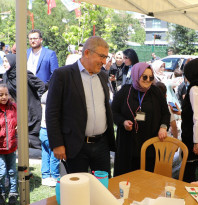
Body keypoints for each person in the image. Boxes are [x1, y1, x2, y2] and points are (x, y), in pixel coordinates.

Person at [46, 36, 116, 176]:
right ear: (87, 53)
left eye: (106, 57)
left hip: (101, 144)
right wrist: (57, 144)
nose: (104, 62)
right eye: (102, 56)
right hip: (75, 146)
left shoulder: (102, 76)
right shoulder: (63, 75)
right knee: (77, 190)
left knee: (102, 188)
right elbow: (52, 112)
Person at [112, 63, 170, 176]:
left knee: (146, 178)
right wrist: (123, 122)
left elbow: (165, 114)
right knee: (126, 178)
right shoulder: (125, 91)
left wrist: (163, 127)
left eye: (151, 77)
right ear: (136, 75)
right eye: (144, 77)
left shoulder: (156, 92)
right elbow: (113, 112)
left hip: (150, 145)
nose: (148, 80)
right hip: (127, 145)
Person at [3, 54, 46, 149]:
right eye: (3, 62)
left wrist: (39, 100)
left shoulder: (24, 74)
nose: (4, 64)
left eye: (6, 61)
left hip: (32, 108)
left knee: (34, 133)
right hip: (18, 109)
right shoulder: (6, 76)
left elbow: (42, 86)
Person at [0, 84, 18, 205]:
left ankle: (13, 192)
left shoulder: (13, 107)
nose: (4, 97)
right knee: (1, 172)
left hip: (11, 146)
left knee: (12, 171)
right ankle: (1, 192)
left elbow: (18, 120)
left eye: (6, 94)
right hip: (0, 147)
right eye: (1, 95)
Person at [39, 90, 60, 187]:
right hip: (50, 130)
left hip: (42, 130)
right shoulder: (53, 96)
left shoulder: (45, 95)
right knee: (54, 154)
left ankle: (45, 176)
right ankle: (55, 177)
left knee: (45, 154)